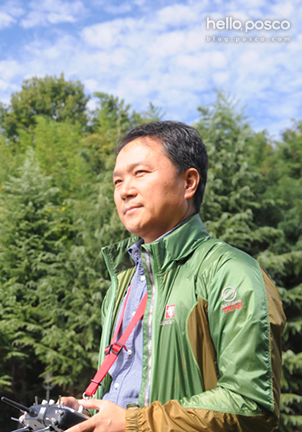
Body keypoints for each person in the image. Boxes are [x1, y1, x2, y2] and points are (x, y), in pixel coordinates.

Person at [61, 121, 286, 432]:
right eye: (117, 181)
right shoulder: (124, 283)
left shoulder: (231, 272)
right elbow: (125, 394)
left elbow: (251, 403)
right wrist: (90, 415)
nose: (125, 190)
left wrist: (133, 423)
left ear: (189, 182)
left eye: (140, 173)